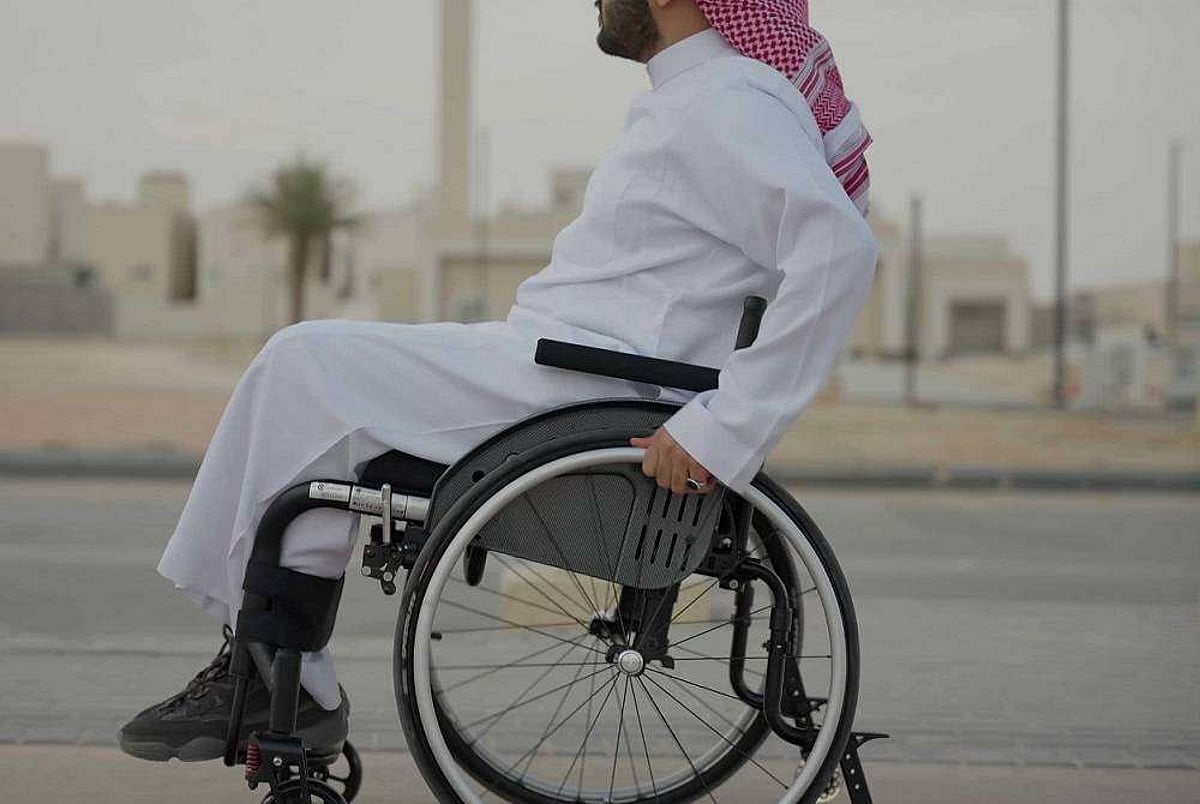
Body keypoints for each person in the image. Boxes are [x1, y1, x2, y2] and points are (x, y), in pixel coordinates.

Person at [119, 0, 879, 763]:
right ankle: (269, 661)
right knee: (309, 381)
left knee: (304, 365)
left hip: (589, 389)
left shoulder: (728, 97)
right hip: (572, 369)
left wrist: (724, 428)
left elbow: (838, 253)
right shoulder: (702, 95)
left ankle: (275, 673)